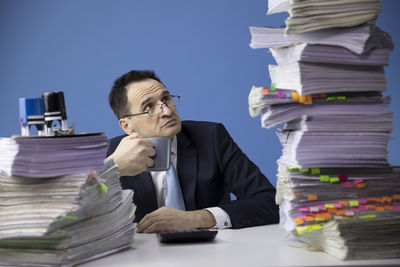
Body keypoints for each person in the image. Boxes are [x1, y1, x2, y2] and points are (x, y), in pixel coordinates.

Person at [107, 70, 279, 233]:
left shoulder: (211, 138)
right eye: (149, 107)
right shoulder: (111, 156)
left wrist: (198, 218)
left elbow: (270, 201)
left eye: (166, 99)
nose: (166, 111)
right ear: (126, 126)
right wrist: (113, 167)